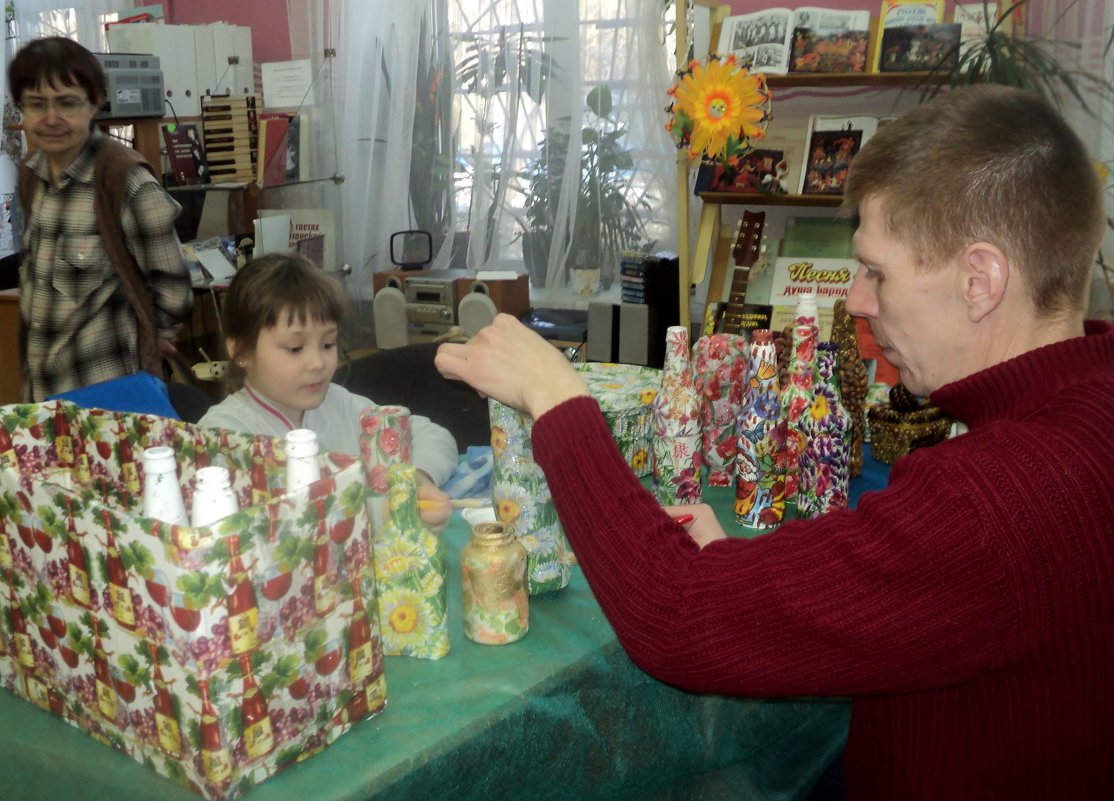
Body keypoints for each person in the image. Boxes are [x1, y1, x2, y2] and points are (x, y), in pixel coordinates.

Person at [435, 85, 1114, 800]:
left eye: (877, 272)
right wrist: (740, 570)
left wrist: (556, 396)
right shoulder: (1083, 412)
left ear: (980, 280)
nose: (854, 299)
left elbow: (674, 615)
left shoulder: (994, 500)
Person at [198, 253, 458, 529]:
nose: (318, 363)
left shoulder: (340, 403)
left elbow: (432, 435)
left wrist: (417, 478)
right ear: (241, 351)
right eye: (295, 348)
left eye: (328, 344)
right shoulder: (220, 436)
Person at [9, 36, 193, 401]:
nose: (51, 119)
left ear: (94, 104)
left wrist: (152, 341)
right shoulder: (31, 173)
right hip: (43, 388)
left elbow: (174, 288)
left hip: (110, 391)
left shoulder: (125, 181)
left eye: (67, 103)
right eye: (36, 104)